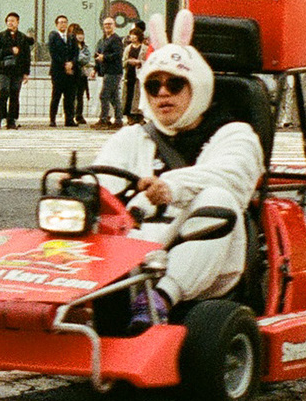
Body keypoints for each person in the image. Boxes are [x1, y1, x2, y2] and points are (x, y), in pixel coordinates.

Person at [91, 36, 264, 327]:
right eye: (153, 85)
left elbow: (232, 177)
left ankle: (158, 300)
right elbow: (101, 181)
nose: (162, 93)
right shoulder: (134, 137)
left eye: (174, 84)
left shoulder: (236, 134)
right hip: (133, 257)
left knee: (218, 200)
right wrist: (76, 193)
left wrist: (169, 187)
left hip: (211, 267)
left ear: (196, 87)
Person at [0, 12, 33, 129]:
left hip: (18, 70)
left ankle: (12, 120)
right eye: (8, 21)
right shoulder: (1, 36)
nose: (10, 23)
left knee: (15, 94)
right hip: (4, 70)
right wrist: (10, 50)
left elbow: (27, 56)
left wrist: (26, 72)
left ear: (18, 22)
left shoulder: (22, 37)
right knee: (3, 92)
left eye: (13, 20)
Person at [47, 14, 78, 127]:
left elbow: (76, 53)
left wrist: (72, 63)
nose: (63, 24)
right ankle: (52, 119)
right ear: (56, 24)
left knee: (70, 96)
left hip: (70, 71)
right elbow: (53, 53)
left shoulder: (71, 37)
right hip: (58, 71)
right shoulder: (53, 36)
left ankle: (69, 119)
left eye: (65, 22)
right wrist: (64, 64)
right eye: (60, 22)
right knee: (56, 95)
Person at [93, 16, 125, 127]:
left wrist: (104, 57)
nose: (107, 26)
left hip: (113, 71)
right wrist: (95, 68)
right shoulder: (103, 40)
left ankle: (104, 119)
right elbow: (98, 54)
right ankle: (118, 120)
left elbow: (118, 54)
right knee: (114, 96)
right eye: (105, 24)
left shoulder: (116, 39)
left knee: (104, 95)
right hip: (105, 71)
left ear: (114, 26)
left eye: (110, 24)